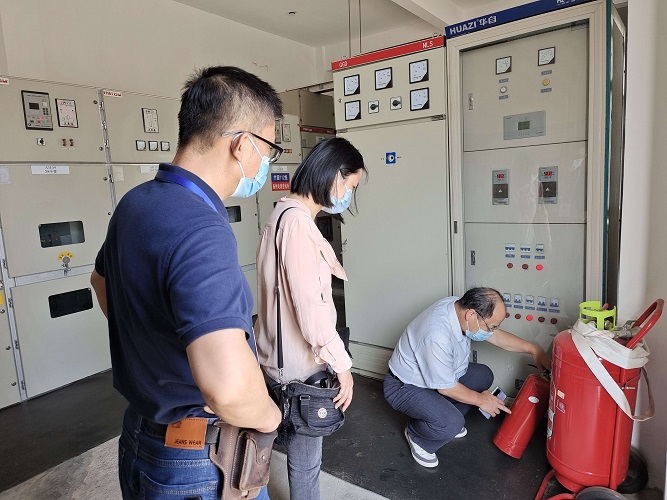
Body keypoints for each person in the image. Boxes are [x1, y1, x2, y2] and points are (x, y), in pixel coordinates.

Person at [90, 66, 283, 499]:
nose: (265, 163)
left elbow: (100, 282)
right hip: (196, 458)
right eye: (268, 148)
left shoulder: (136, 203)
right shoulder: (202, 229)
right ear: (242, 144)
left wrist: (157, 346)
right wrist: (270, 417)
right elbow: (227, 389)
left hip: (141, 434)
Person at [255, 137, 366, 500]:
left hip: (273, 355)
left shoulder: (281, 214)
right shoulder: (299, 225)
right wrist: (343, 366)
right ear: (335, 175)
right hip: (298, 369)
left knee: (262, 448)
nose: (348, 195)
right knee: (305, 462)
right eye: (351, 186)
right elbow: (311, 312)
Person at [384, 287, 551, 468]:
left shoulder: (458, 306)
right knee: (452, 423)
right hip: (405, 386)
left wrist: (534, 350)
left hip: (437, 378)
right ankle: (417, 435)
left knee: (482, 376)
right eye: (491, 326)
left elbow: (496, 336)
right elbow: (447, 388)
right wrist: (482, 400)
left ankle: (440, 415)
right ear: (471, 314)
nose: (491, 331)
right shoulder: (436, 336)